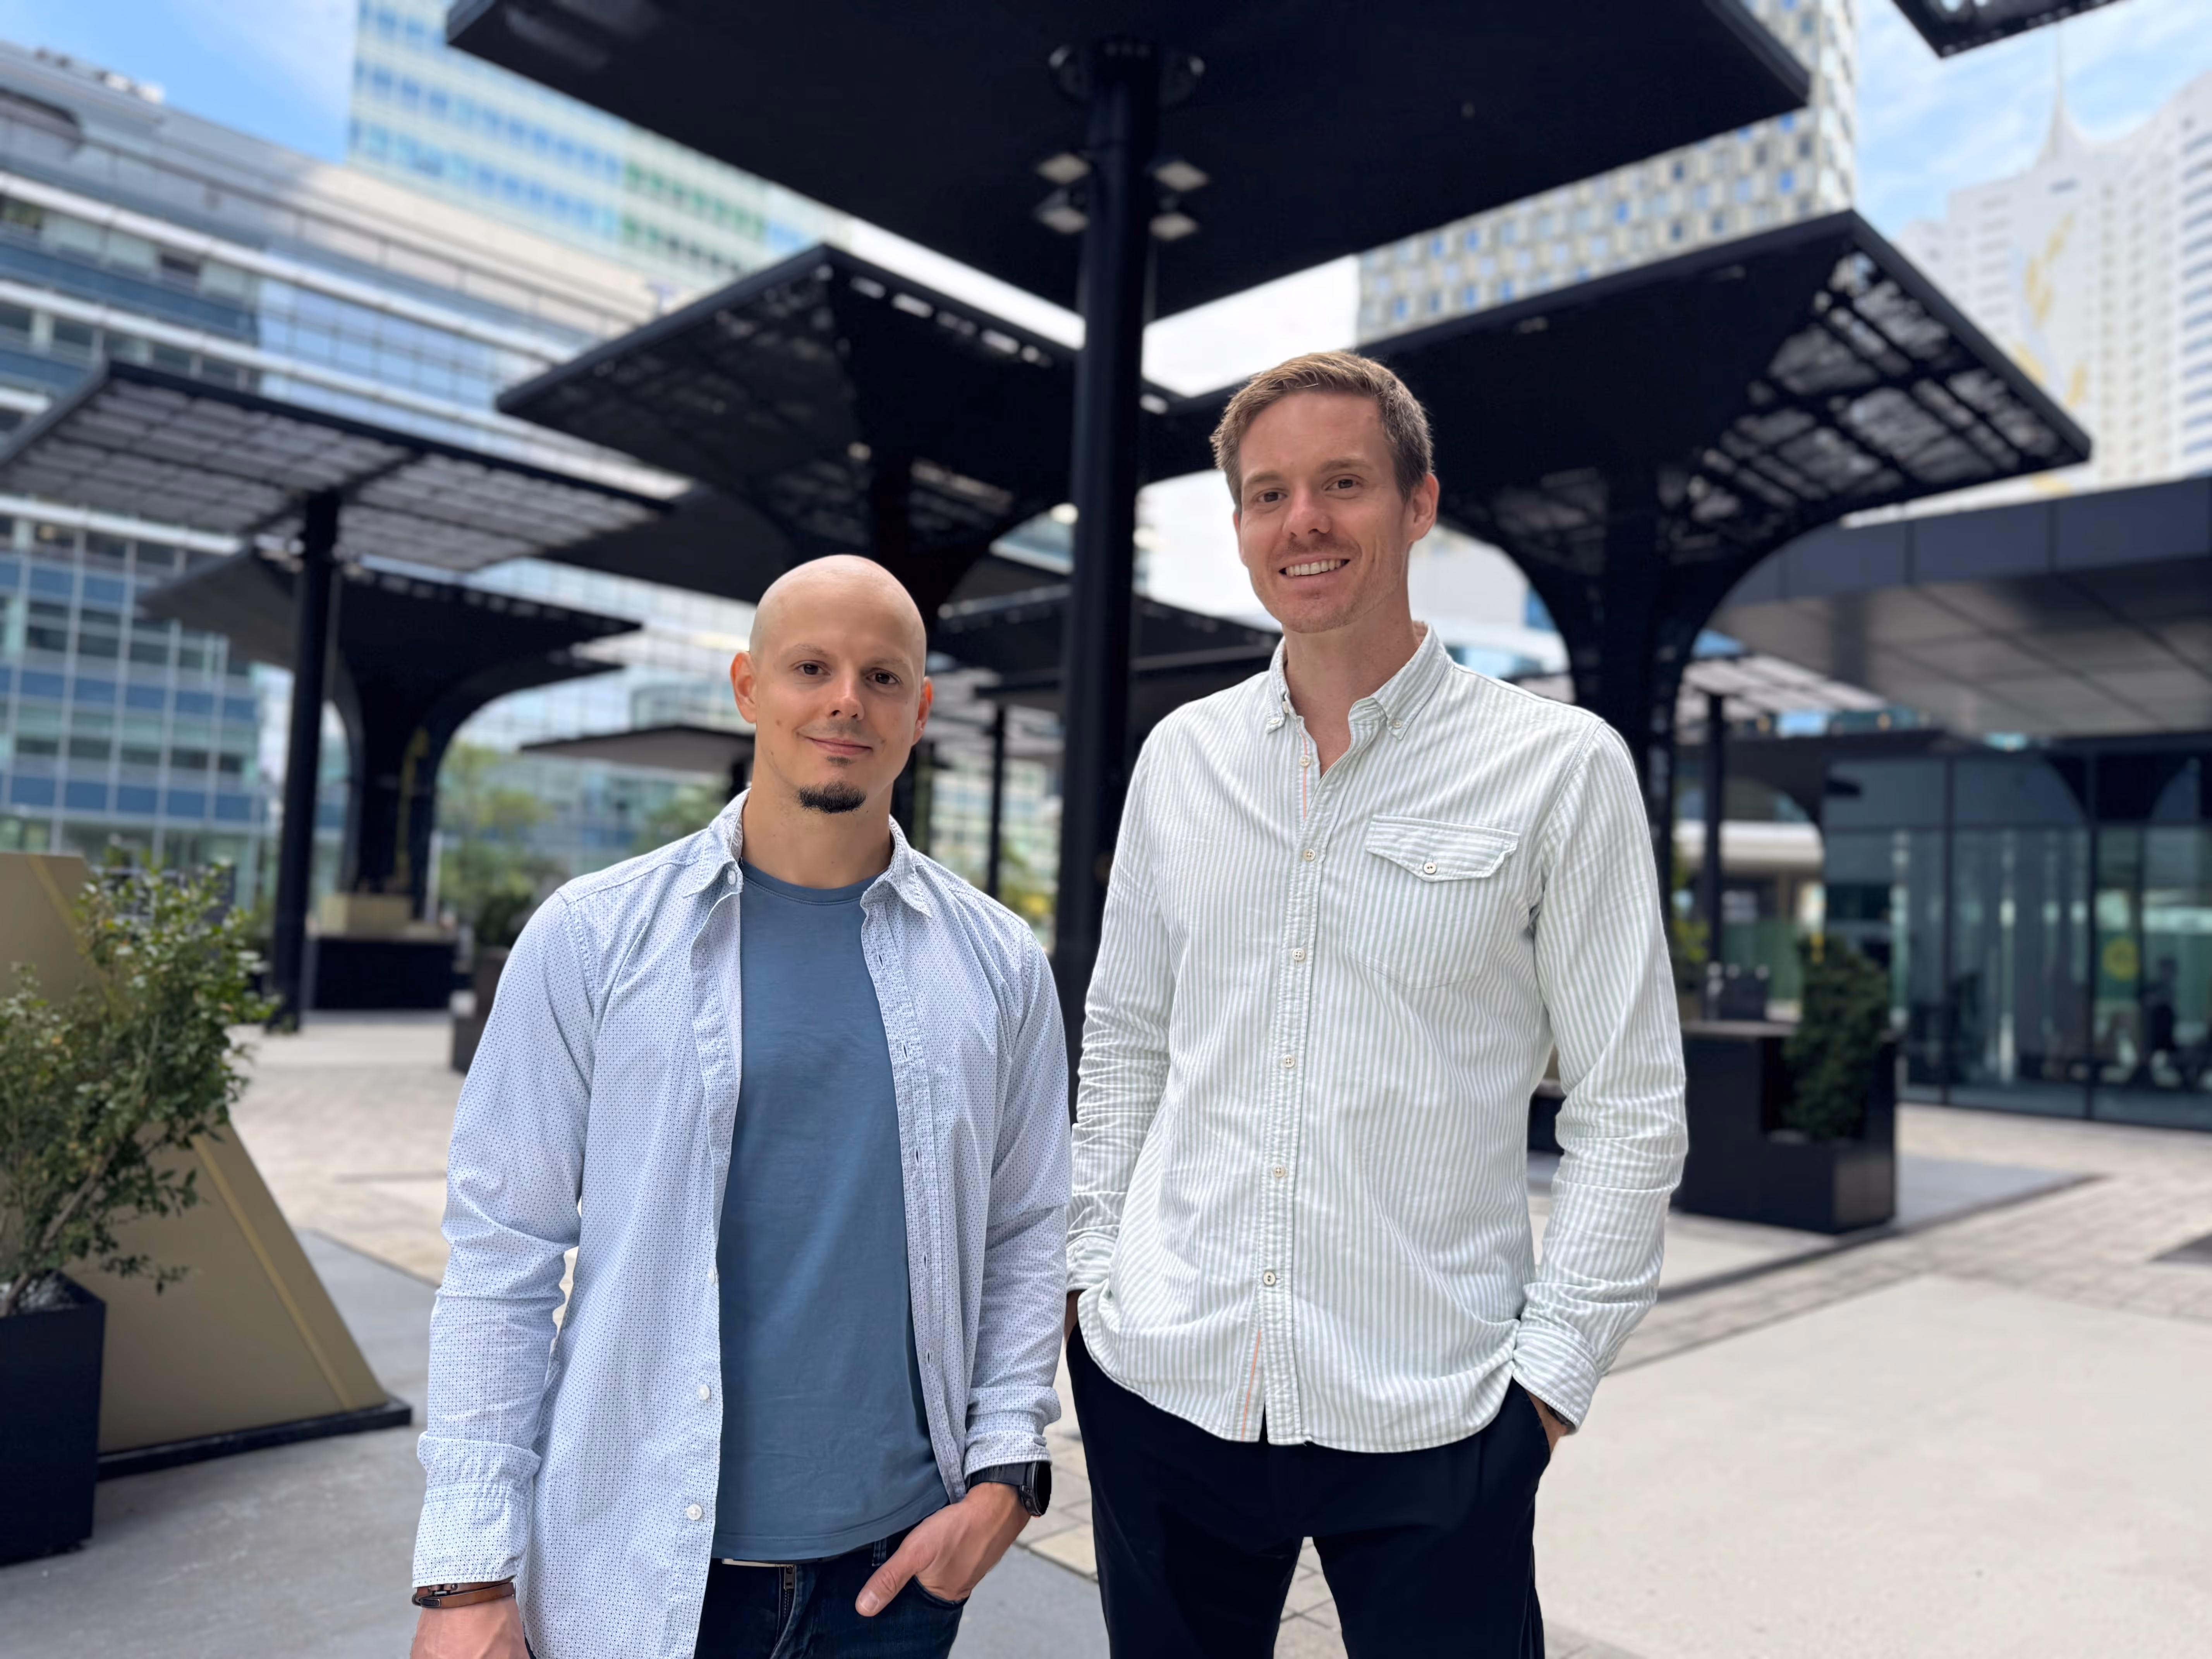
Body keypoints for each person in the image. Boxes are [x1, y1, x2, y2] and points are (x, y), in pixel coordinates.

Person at [1065, 352, 1688, 1657]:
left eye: (1343, 482)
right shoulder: (1181, 760)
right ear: (1239, 525)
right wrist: (1090, 1280)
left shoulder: (1557, 769)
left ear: (1418, 505)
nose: (1304, 521)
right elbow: (1125, 1040)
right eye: (1268, 492)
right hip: (1168, 1384)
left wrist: (1550, 1386)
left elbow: (1630, 1107)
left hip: (1437, 1414)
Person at [409, 556, 1070, 1659]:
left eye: (882, 675)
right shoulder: (593, 937)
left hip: (894, 1580)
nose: (846, 700)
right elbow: (500, 1253)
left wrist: (1006, 1476)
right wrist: (466, 1575)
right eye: (811, 666)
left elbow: (1027, 1228)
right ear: (748, 686)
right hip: (630, 1565)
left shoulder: (999, 964)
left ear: (922, 709)